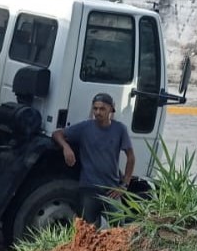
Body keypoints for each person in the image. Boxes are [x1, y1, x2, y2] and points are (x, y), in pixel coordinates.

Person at [51, 92, 135, 227]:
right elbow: (57, 134)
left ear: (111, 109)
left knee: (119, 230)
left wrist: (124, 185)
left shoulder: (120, 129)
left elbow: (130, 157)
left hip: (111, 190)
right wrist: (66, 147)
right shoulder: (85, 127)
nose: (98, 112)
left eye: (102, 109)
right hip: (89, 189)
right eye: (95, 108)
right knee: (87, 231)